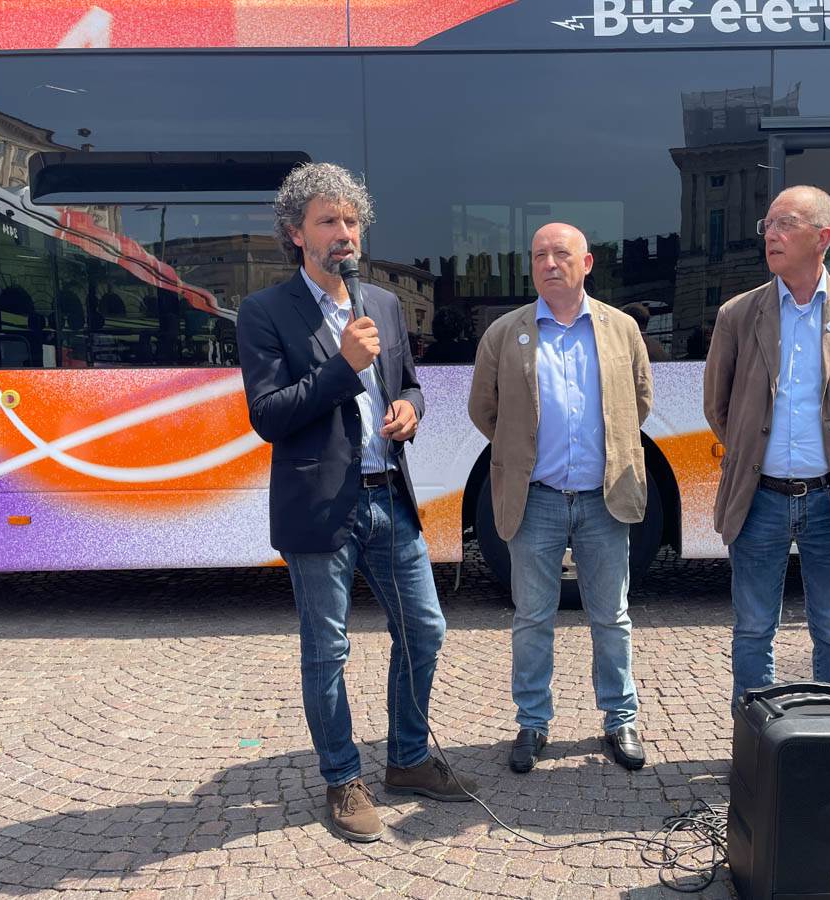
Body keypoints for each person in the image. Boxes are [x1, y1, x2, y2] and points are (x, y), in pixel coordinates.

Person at [236, 163, 475, 844]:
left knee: (424, 629)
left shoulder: (385, 305)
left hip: (387, 497)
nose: (344, 232)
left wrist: (411, 410)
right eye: (328, 221)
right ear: (296, 233)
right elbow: (269, 415)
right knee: (327, 651)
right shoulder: (265, 312)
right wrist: (341, 367)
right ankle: (342, 778)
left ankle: (407, 758)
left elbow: (410, 383)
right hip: (319, 508)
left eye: (351, 220)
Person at [469, 223, 653, 773]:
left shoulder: (621, 329)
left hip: (604, 497)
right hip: (537, 499)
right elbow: (484, 410)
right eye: (539, 255)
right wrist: (523, 451)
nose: (549, 263)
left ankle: (620, 719)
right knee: (532, 617)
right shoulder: (505, 333)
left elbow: (638, 402)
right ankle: (532, 722)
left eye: (560, 253)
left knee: (612, 616)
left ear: (587, 263)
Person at [703, 185, 830, 707]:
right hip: (758, 498)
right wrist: (749, 451)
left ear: (823, 237)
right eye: (767, 224)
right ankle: (754, 740)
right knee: (752, 630)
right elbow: (717, 405)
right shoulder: (738, 314)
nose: (771, 234)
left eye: (785, 223)